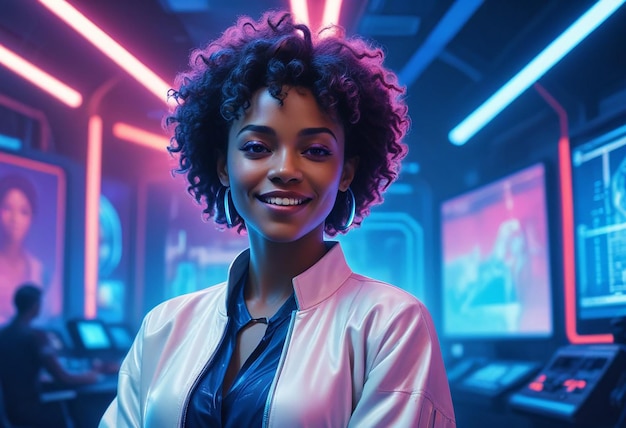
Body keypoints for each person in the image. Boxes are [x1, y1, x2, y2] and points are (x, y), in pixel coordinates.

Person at [100, 10, 455, 427]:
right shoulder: (164, 325)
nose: (285, 168)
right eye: (256, 147)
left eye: (316, 150)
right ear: (221, 166)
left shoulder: (390, 324)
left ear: (348, 171)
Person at [0, 284, 101, 427]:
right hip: (33, 412)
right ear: (36, 305)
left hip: (9, 413)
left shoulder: (3, 334)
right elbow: (64, 378)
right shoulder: (36, 337)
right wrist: (91, 376)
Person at [0, 174, 45, 323]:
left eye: (23, 212)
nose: (15, 219)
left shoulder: (37, 269)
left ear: (32, 217)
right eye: (7, 208)